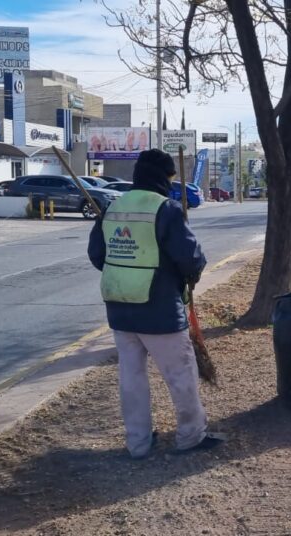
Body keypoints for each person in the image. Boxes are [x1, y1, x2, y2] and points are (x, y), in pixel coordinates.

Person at [88, 149, 226, 458]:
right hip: (159, 308)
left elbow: (98, 256)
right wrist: (188, 276)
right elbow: (190, 258)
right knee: (181, 373)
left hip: (119, 307)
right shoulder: (166, 210)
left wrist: (127, 274)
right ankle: (190, 437)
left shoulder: (112, 208)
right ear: (164, 178)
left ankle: (138, 444)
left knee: (131, 377)